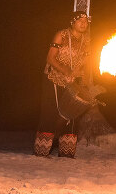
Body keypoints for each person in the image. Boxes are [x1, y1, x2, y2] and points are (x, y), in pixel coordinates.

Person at [34, 11, 91, 158]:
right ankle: (42, 151)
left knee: (72, 113)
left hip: (71, 81)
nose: (83, 23)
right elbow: (50, 58)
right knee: (51, 112)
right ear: (72, 22)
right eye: (80, 20)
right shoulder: (62, 35)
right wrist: (66, 70)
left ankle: (66, 152)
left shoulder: (86, 41)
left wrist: (80, 77)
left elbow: (85, 62)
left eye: (85, 21)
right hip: (53, 78)